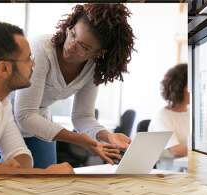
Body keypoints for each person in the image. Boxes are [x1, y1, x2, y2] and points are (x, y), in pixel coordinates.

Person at [14, 3, 135, 168]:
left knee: (48, 182)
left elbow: (82, 117)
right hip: (8, 119)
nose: (70, 46)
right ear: (69, 27)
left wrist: (107, 136)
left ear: (98, 53)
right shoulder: (41, 48)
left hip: (40, 121)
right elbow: (25, 114)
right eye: (72, 34)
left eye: (83, 47)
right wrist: (78, 139)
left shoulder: (93, 67)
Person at [0, 22, 73, 175]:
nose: (33, 64)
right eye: (27, 59)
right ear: (4, 68)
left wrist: (11, 169)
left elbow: (20, 153)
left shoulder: (3, 102)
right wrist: (46, 174)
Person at [148, 63, 190, 167]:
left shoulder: (191, 114)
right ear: (180, 88)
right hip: (170, 174)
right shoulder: (162, 116)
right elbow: (176, 150)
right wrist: (203, 150)